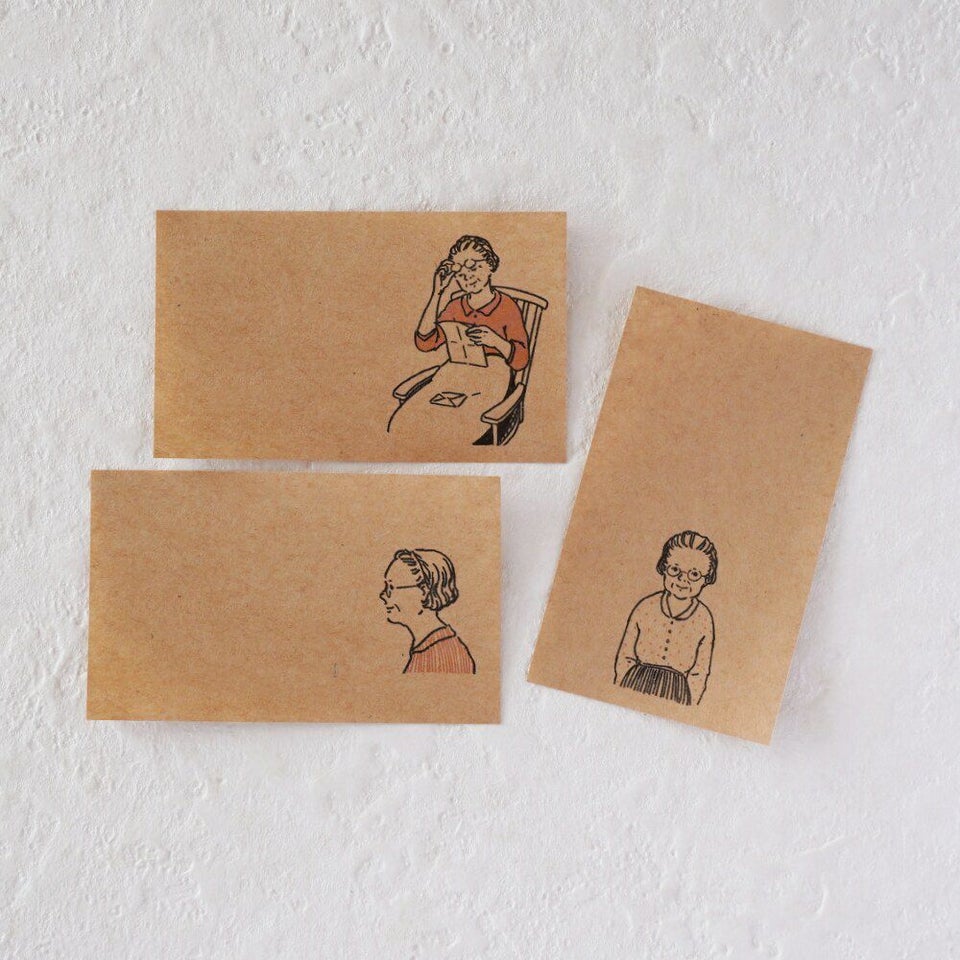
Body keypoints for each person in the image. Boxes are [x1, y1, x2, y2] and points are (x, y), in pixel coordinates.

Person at [386, 236, 529, 446]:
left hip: (492, 379)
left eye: (473, 267)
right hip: (454, 374)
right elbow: (425, 342)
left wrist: (495, 341)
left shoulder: (507, 306)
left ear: (490, 266)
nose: (467, 277)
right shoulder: (455, 306)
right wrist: (437, 293)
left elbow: (521, 360)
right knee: (411, 421)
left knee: (463, 426)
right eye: (460, 273)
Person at [614, 531, 717, 706]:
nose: (682, 579)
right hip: (635, 683)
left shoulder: (703, 619)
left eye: (694, 574)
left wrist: (691, 703)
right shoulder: (646, 606)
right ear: (664, 568)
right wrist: (620, 685)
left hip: (677, 694)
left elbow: (700, 671)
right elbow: (626, 654)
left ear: (706, 578)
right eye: (675, 570)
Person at [380, 548, 476, 674]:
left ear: (424, 592)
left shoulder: (442, 655)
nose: (383, 595)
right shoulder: (426, 648)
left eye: (391, 587)